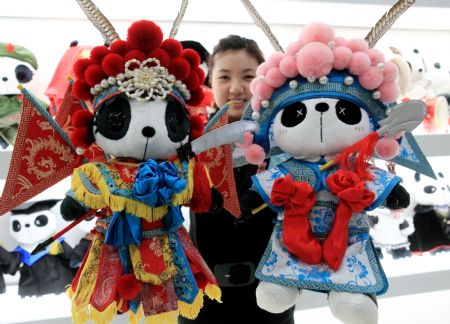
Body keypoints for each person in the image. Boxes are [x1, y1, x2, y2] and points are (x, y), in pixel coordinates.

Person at [179, 35, 295, 324]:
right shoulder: (189, 143)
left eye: (248, 76)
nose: (235, 88)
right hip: (201, 301)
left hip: (270, 301)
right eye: (224, 77)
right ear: (209, 82)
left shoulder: (287, 143)